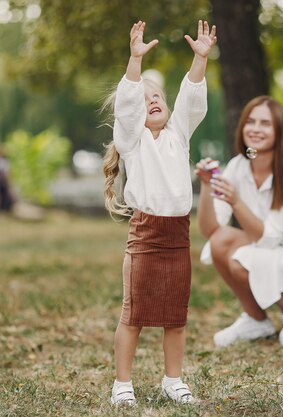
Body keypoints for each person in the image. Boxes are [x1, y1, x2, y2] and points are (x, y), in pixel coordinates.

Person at [102, 20, 216, 406]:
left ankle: (173, 379)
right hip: (145, 236)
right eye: (145, 96)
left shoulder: (178, 135)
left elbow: (191, 99)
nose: (152, 99)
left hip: (177, 238)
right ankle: (122, 385)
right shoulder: (132, 141)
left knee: (175, 316)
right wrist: (135, 62)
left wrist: (199, 60)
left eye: (158, 96)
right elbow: (129, 105)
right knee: (133, 314)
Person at [194, 96, 283, 348]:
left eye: (265, 123)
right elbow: (210, 229)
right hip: (271, 253)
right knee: (220, 242)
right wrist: (207, 186)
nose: (255, 129)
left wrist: (237, 202)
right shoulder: (239, 166)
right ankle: (256, 319)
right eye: (250, 121)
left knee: (242, 260)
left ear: (279, 131)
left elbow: (270, 238)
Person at [0, 146, 14, 212]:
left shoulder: (4, 161)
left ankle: (5, 206)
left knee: (4, 193)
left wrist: (7, 179)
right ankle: (0, 206)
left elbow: (7, 172)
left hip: (2, 180)